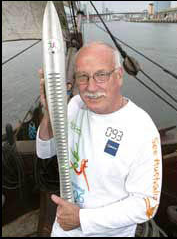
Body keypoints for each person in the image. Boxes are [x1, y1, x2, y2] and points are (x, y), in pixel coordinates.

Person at [36, 41, 162, 237]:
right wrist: (50, 110)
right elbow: (45, 150)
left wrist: (82, 218)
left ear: (119, 76)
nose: (91, 87)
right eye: (83, 77)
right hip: (64, 230)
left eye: (101, 75)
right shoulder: (75, 105)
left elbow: (146, 204)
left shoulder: (142, 129)